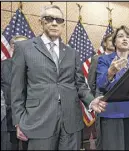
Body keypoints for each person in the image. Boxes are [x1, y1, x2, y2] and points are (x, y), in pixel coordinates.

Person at [10, 5, 107, 150]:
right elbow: (17, 88)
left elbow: (79, 84)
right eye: (49, 19)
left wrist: (91, 101)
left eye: (59, 20)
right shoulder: (24, 48)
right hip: (38, 120)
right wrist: (19, 122)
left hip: (71, 120)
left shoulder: (71, 52)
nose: (54, 23)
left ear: (63, 24)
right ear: (41, 22)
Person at [96, 25, 129, 150]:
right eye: (121, 36)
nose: (125, 39)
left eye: (128, 37)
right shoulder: (104, 60)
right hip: (113, 115)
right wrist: (110, 72)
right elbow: (100, 85)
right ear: (115, 41)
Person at [87, 33, 115, 150]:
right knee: (102, 134)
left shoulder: (119, 58)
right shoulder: (97, 58)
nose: (113, 43)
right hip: (102, 101)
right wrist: (96, 97)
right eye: (110, 40)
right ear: (104, 43)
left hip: (117, 101)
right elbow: (91, 81)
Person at [1, 35, 28, 150]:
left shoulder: (36, 67)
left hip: (32, 119)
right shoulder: (2, 66)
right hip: (8, 118)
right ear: (12, 47)